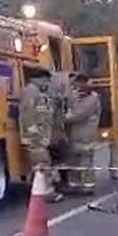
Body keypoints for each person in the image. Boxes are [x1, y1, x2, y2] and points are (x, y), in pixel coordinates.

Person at [20, 70, 63, 202]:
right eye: (45, 80)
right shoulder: (31, 92)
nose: (47, 83)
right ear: (37, 79)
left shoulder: (40, 94)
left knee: (41, 165)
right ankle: (47, 193)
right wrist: (35, 135)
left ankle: (39, 192)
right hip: (35, 138)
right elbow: (28, 116)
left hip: (41, 138)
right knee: (43, 164)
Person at [66, 73, 101, 195]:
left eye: (76, 84)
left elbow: (79, 114)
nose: (75, 87)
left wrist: (63, 118)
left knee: (85, 161)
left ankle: (88, 186)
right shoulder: (77, 97)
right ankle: (75, 185)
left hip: (86, 135)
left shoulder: (92, 98)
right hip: (75, 135)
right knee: (73, 161)